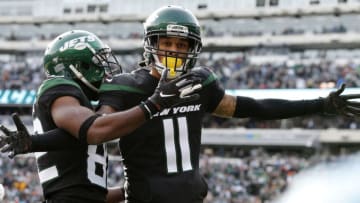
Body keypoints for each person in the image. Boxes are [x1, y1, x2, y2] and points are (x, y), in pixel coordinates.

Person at [2, 6, 360, 203]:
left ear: (193, 51)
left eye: (182, 46)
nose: (173, 51)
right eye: (167, 43)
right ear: (150, 43)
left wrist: (318, 103)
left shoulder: (200, 82)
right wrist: (36, 143)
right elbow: (92, 132)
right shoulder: (125, 86)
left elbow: (250, 106)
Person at [0, 29, 201, 203]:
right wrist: (154, 104)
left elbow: (91, 193)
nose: (106, 70)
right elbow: (93, 130)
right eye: (98, 62)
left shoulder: (81, 106)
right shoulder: (59, 87)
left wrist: (129, 190)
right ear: (78, 66)